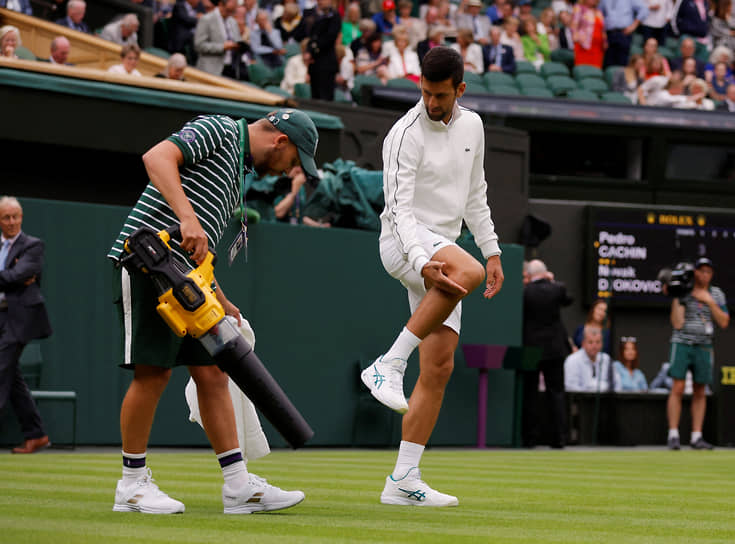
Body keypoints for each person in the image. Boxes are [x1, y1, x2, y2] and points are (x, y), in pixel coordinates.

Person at [106, 107, 320, 514]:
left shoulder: (237, 172)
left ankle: (238, 486)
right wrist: (186, 218)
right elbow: (157, 158)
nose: (285, 170)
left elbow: (198, 244)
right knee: (154, 374)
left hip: (188, 280)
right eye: (292, 160)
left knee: (214, 372)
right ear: (280, 141)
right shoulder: (219, 129)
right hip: (147, 262)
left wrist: (219, 297)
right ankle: (131, 485)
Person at [360, 46, 504, 507]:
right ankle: (388, 363)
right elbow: (398, 211)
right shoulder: (403, 133)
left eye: (440, 95)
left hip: (444, 243)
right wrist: (422, 260)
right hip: (403, 243)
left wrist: (493, 249)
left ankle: (403, 479)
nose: (431, 102)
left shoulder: (473, 126)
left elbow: (475, 195)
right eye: (425, 92)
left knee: (439, 365)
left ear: (460, 89)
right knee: (468, 270)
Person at [0, 196, 53, 454]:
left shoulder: (33, 245)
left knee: (0, 369)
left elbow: (19, 275)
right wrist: (11, 277)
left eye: (15, 217)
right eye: (6, 217)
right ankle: (36, 434)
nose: (11, 222)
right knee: (12, 377)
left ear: (21, 218)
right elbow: (12, 278)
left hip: (18, 319)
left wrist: (14, 276)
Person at [666, 257, 729, 450]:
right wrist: (679, 296)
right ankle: (673, 434)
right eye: (700, 271)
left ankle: (696, 436)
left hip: (704, 345)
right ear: (695, 273)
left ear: (712, 274)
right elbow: (677, 323)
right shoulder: (684, 289)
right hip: (683, 343)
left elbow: (724, 322)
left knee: (700, 390)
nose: (704, 275)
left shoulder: (717, 294)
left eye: (708, 271)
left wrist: (709, 302)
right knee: (677, 387)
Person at [521, 259, 573, 449]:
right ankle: (559, 438)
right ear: (545, 273)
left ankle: (529, 439)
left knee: (530, 394)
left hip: (531, 347)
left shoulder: (525, 292)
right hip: (554, 348)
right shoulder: (557, 288)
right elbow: (569, 299)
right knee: (556, 393)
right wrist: (552, 282)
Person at [303, 0, 341, 100]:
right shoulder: (313, 15)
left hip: (326, 63)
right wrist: (308, 50)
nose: (321, 1)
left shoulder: (334, 17)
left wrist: (312, 49)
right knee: (315, 96)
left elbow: (329, 37)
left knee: (325, 97)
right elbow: (310, 36)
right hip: (314, 63)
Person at [194, 0, 243, 78]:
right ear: (222, 3)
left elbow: (237, 41)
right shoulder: (206, 19)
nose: (236, 3)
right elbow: (199, 45)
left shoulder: (233, 22)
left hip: (231, 70)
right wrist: (222, 47)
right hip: (210, 70)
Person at [564, 326, 619, 392]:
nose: (594, 346)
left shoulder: (606, 359)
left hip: (605, 400)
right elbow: (571, 387)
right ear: (583, 343)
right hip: (580, 400)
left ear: (602, 344)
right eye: (590, 342)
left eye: (598, 342)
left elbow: (616, 384)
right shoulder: (572, 360)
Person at [598, 0, 647, 67]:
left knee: (622, 63)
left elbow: (644, 9)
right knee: (608, 63)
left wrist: (634, 25)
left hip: (623, 33)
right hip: (608, 34)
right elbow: (599, 12)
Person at [571, 0, 607, 69]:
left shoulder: (598, 11)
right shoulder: (579, 8)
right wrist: (577, 38)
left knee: (595, 70)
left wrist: (605, 41)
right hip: (583, 46)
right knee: (583, 69)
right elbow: (573, 26)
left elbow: (603, 29)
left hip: (598, 48)